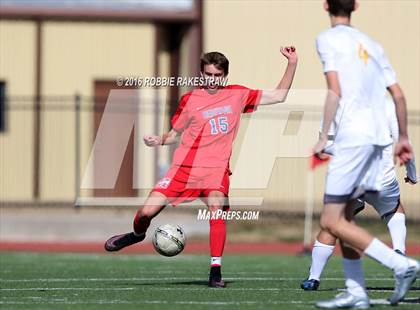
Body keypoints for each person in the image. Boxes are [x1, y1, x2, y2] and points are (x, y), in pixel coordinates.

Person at [104, 48, 298, 288]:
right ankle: (136, 235)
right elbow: (176, 134)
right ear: (201, 74)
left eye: (218, 75)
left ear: (225, 76)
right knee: (146, 212)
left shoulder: (238, 94)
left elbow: (279, 95)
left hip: (215, 170)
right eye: (208, 75)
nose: (212, 80)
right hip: (183, 169)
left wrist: (292, 63)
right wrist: (160, 139)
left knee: (216, 209)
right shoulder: (190, 99)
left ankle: (215, 270)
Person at [312, 0, 418, 307]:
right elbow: (398, 95)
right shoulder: (373, 44)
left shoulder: (327, 39)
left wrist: (322, 137)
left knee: (331, 220)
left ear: (325, 6)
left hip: (353, 140)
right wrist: (404, 138)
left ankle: (402, 265)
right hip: (378, 141)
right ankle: (357, 291)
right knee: (344, 215)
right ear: (356, 6)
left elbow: (334, 90)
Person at [301, 98, 417, 291]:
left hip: (351, 177)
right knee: (394, 208)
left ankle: (314, 278)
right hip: (382, 177)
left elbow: (324, 147)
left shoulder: (336, 104)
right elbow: (406, 146)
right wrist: (413, 174)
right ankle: (399, 253)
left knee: (333, 225)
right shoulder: (387, 104)